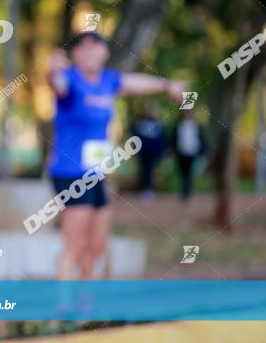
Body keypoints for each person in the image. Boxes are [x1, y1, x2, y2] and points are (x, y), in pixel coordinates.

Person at [47, 32, 184, 279]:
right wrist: (50, 73)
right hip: (70, 174)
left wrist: (166, 85)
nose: (89, 51)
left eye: (95, 46)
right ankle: (64, 310)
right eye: (82, 47)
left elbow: (136, 83)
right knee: (75, 245)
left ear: (105, 52)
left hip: (96, 173)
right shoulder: (69, 79)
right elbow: (57, 85)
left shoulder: (108, 81)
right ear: (75, 54)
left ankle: (85, 308)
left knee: (96, 247)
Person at [131, 101, 167, 201]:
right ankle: (144, 189)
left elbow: (161, 139)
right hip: (143, 151)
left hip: (153, 151)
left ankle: (149, 189)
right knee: (144, 170)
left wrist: (161, 151)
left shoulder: (158, 123)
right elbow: (136, 137)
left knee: (151, 170)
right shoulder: (140, 122)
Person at [171, 110, 206, 204]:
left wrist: (203, 152)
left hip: (192, 152)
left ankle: (188, 193)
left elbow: (202, 139)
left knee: (189, 173)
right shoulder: (179, 126)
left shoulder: (197, 126)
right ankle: (184, 193)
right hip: (181, 152)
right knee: (183, 173)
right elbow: (174, 139)